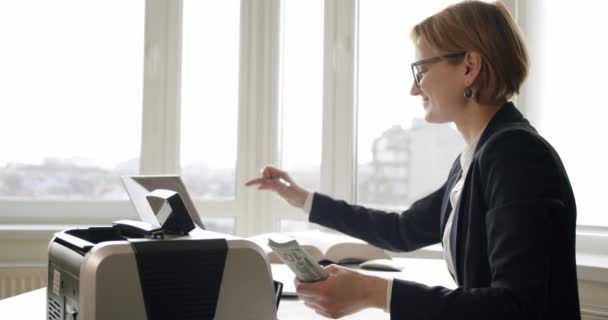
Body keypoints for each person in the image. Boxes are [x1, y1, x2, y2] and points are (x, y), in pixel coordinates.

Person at [245, 1, 580, 319]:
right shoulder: (480, 155)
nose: (414, 89)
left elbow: (514, 309)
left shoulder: (515, 155)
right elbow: (402, 230)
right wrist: (302, 199)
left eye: (421, 69)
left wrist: (371, 291)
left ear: (469, 67)